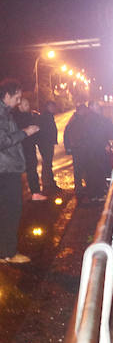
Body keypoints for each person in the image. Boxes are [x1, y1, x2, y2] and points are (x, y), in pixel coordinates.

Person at [1, 78, 40, 264]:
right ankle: (8, 253)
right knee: (11, 210)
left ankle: (5, 252)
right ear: (7, 95)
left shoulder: (5, 113)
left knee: (6, 211)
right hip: (5, 170)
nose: (18, 102)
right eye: (16, 97)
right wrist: (25, 132)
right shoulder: (1, 114)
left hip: (6, 169)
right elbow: (2, 141)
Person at [11, 97, 46, 200]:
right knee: (28, 170)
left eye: (28, 104)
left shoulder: (28, 115)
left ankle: (35, 192)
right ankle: (33, 192)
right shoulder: (16, 118)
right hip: (23, 149)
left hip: (28, 147)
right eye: (25, 105)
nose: (28, 106)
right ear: (19, 106)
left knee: (31, 170)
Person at [37, 101, 59, 194]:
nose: (54, 109)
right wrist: (49, 141)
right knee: (47, 163)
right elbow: (46, 131)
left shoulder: (48, 116)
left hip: (47, 143)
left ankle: (49, 183)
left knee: (48, 163)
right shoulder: (46, 117)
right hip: (46, 144)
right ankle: (47, 184)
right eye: (52, 107)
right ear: (48, 107)